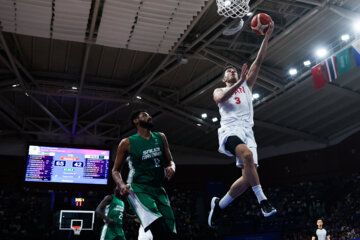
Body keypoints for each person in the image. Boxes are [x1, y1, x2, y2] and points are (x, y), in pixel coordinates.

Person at [208, 21, 277, 228]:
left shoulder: (246, 85)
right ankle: (263, 201)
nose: (231, 71)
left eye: (233, 70)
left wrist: (266, 37)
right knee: (247, 156)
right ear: (223, 78)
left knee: (248, 178)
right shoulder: (219, 90)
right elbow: (220, 100)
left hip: (248, 132)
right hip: (230, 131)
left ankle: (219, 205)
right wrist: (238, 83)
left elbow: (260, 59)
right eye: (228, 71)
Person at [112, 110, 176, 240]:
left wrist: (171, 167)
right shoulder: (127, 143)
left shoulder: (160, 137)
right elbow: (115, 171)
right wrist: (122, 184)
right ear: (136, 121)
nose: (150, 117)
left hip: (158, 188)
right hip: (139, 189)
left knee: (170, 233)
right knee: (160, 230)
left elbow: (169, 161)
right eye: (145, 115)